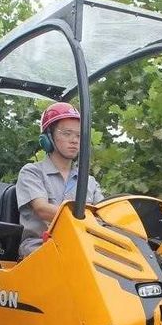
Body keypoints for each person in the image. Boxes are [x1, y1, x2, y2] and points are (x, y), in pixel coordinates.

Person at [15, 102, 104, 258]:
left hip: (82, 249)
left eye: (78, 136)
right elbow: (42, 209)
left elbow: (104, 216)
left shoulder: (89, 181)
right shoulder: (32, 172)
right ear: (47, 138)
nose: (74, 140)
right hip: (40, 250)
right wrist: (87, 219)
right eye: (67, 133)